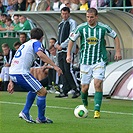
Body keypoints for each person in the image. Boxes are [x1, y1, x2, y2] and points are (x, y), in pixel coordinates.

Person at [66, 8, 122, 118]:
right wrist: (68, 55)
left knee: (97, 84)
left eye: (91, 17)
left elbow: (115, 36)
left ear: (96, 17)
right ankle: (85, 104)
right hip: (85, 61)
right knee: (84, 88)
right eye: (87, 17)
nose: (89, 19)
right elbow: (71, 40)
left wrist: (118, 51)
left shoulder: (103, 27)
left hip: (99, 60)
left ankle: (97, 110)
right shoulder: (81, 28)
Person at [7, 27, 63, 123]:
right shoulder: (36, 43)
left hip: (14, 72)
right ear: (41, 38)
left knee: (34, 90)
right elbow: (41, 55)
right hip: (21, 73)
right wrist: (55, 66)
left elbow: (15, 61)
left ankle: (26, 112)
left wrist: (11, 80)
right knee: (42, 92)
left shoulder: (24, 44)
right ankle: (40, 118)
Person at [55, 7, 80, 98]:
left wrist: (62, 45)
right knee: (61, 70)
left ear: (69, 13)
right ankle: (65, 89)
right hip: (60, 50)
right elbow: (58, 37)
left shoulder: (72, 23)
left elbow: (72, 36)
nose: (64, 15)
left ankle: (76, 88)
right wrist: (57, 45)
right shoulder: (60, 24)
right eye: (63, 13)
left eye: (66, 13)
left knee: (68, 70)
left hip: (68, 50)